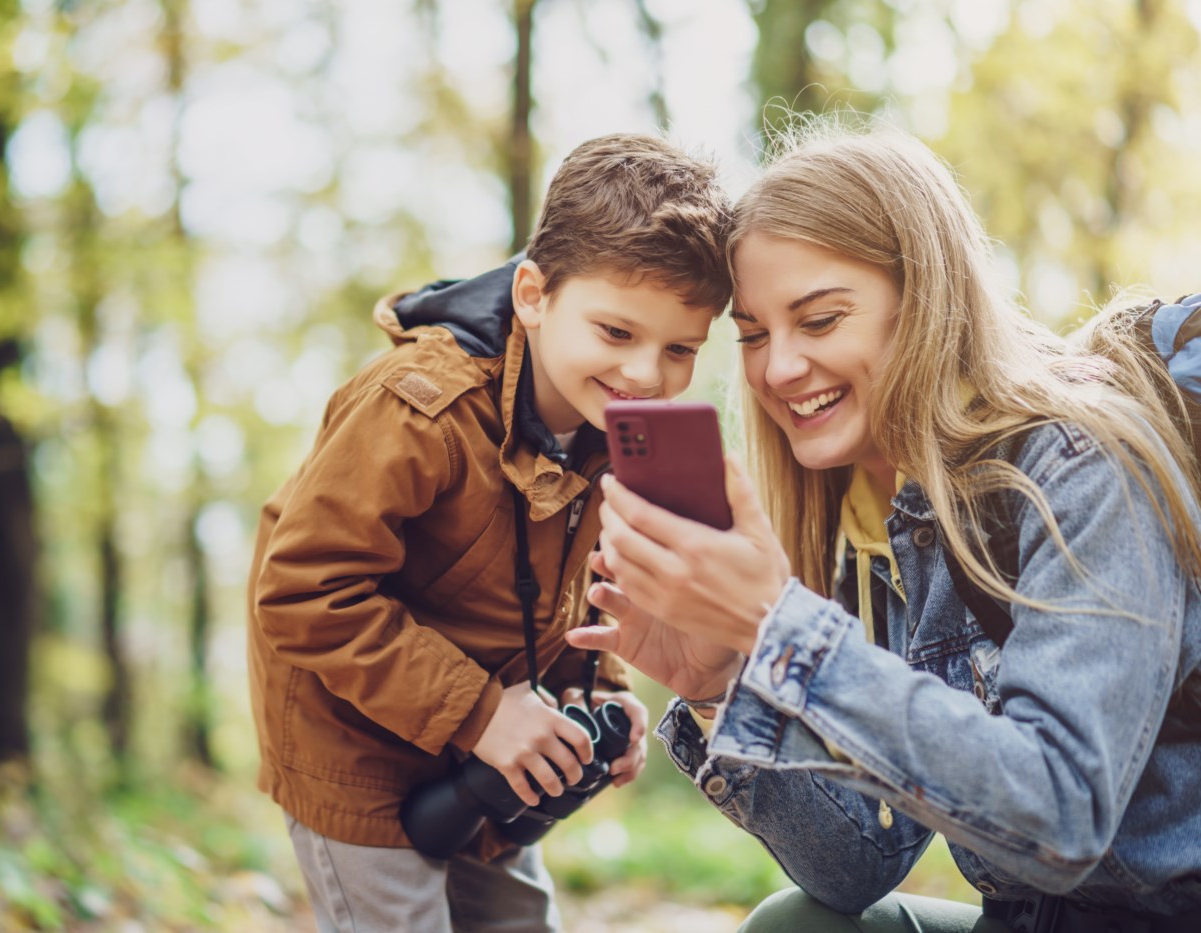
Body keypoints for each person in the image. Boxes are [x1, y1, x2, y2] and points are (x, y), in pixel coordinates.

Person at [567, 119, 1201, 933]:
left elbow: (1061, 815)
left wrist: (784, 631)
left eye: (821, 320)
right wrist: (722, 678)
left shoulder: (1081, 466)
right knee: (794, 924)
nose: (779, 368)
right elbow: (855, 865)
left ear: (928, 301)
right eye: (754, 334)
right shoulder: (871, 518)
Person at [247, 133, 736, 932]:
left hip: (492, 743)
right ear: (534, 295)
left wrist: (598, 685)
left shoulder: (615, 422)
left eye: (680, 348)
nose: (647, 375)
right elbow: (304, 591)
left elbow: (581, 572)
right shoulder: (416, 408)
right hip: (354, 740)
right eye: (617, 333)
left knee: (517, 918)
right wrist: (480, 712)